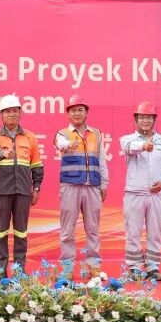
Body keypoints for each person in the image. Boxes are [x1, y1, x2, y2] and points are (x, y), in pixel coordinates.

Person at [119, 102, 161, 281]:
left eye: (149, 117)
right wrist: (144, 146)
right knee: (133, 232)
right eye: (142, 117)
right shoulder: (127, 139)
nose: (145, 121)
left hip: (157, 194)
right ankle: (134, 267)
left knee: (155, 232)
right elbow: (129, 148)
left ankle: (153, 267)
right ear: (136, 119)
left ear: (154, 119)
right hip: (134, 193)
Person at [0, 94, 42, 275]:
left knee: (21, 232)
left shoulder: (30, 137)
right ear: (1, 115)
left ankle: (19, 270)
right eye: (7, 111)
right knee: (1, 231)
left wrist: (36, 188)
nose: (11, 114)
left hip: (23, 191)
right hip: (2, 191)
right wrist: (3, 154)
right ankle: (1, 270)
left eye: (15, 111)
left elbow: (36, 165)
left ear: (20, 113)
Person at [54, 94, 108, 277]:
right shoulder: (62, 134)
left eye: (80, 110)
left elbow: (102, 160)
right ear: (68, 114)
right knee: (67, 229)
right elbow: (61, 145)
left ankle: (93, 265)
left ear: (86, 113)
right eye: (73, 110)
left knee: (93, 229)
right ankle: (67, 267)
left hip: (92, 186)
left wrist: (104, 183)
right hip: (70, 185)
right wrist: (69, 144)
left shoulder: (96, 134)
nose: (77, 113)